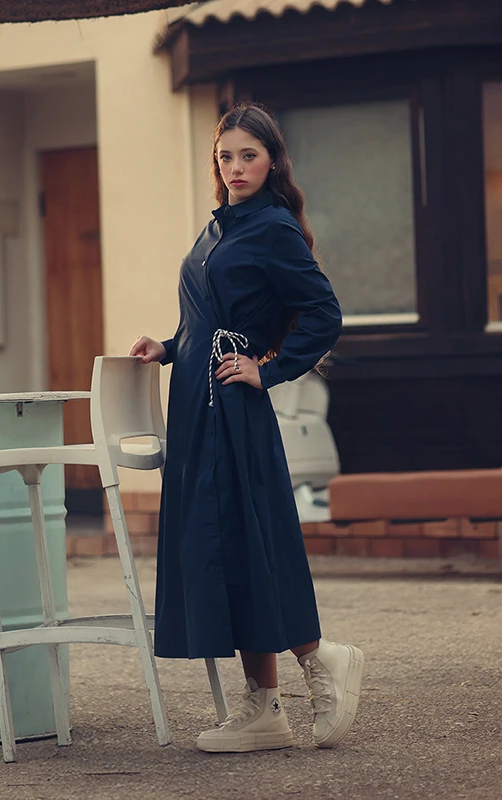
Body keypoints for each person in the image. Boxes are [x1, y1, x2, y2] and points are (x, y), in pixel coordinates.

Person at [129, 103, 364, 754]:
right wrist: (168, 347)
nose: (235, 168)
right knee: (226, 547)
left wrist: (273, 370)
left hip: (233, 412)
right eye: (225, 156)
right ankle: (263, 707)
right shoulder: (218, 230)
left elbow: (324, 312)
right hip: (195, 411)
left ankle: (323, 661)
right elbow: (208, 320)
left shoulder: (272, 228)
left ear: (272, 161)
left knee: (253, 542)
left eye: (248, 156)